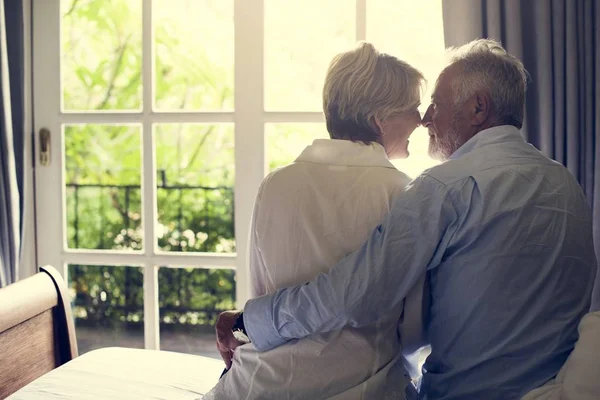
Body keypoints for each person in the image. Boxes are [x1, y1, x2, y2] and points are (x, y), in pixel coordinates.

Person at [215, 39, 598, 400]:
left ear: (478, 109)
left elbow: (355, 295)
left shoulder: (445, 187)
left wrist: (250, 321)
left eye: (436, 103)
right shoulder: (566, 185)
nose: (427, 118)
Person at [207, 42, 426, 399]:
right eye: (413, 108)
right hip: (358, 388)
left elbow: (261, 299)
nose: (421, 119)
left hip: (256, 386)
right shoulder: (402, 192)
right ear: (380, 120)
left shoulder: (275, 185)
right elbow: (413, 326)